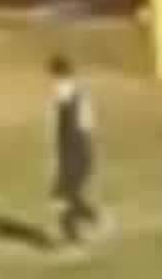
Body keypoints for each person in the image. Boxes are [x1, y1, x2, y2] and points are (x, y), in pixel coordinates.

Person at [46, 55, 106, 246]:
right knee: (65, 195)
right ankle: (83, 226)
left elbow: (75, 124)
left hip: (75, 150)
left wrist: (66, 149)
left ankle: (80, 228)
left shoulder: (69, 92)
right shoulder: (74, 91)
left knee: (64, 196)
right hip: (75, 148)